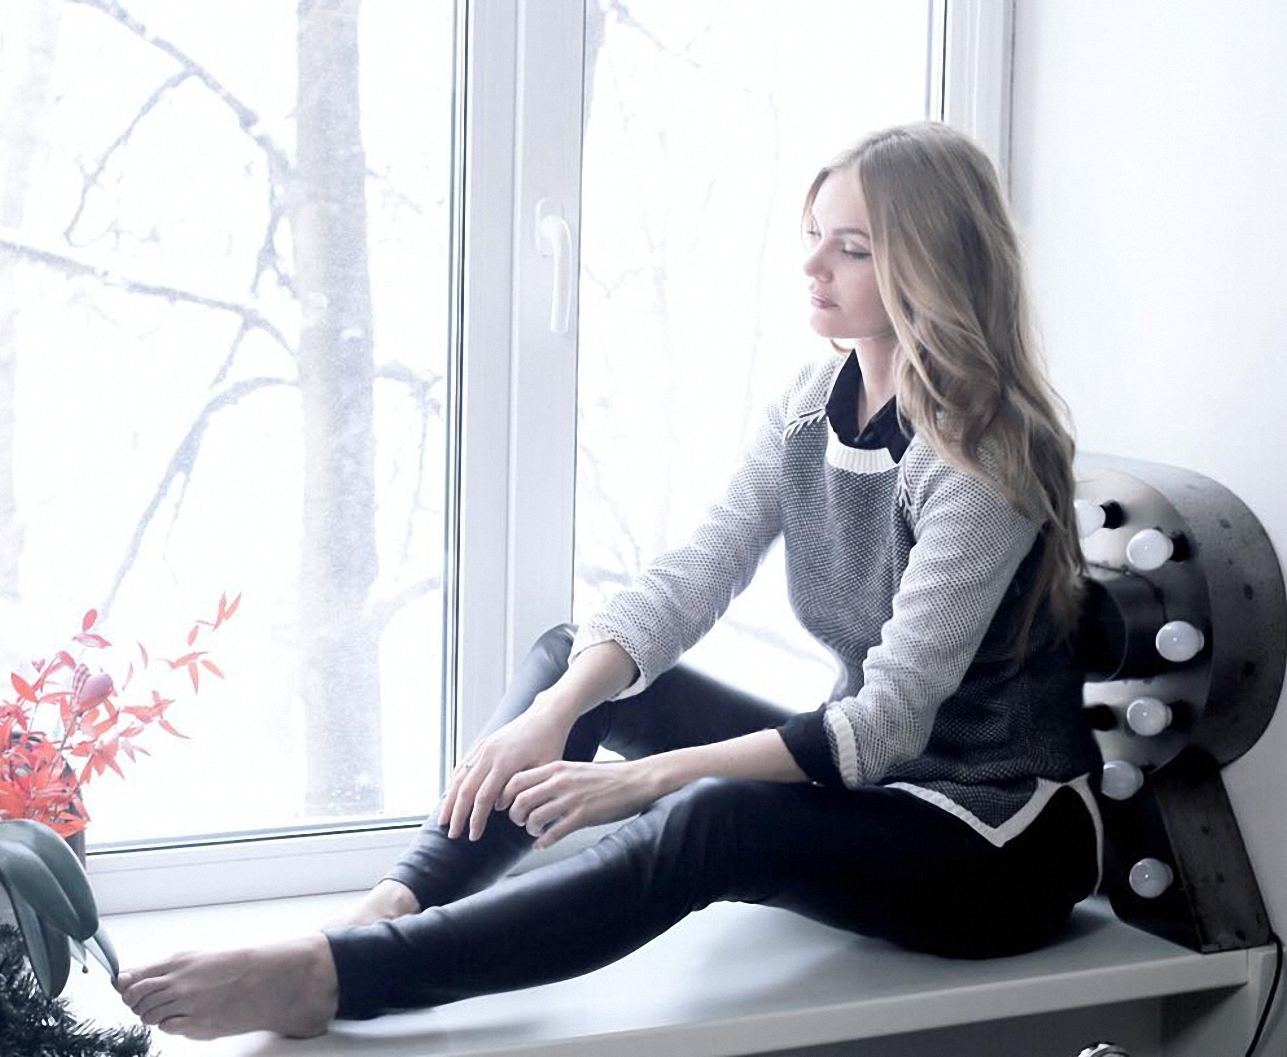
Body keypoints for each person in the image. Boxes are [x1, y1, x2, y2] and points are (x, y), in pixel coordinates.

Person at [114, 121, 1104, 1041]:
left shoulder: (983, 454)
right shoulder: (815, 404)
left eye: (850, 248)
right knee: (573, 659)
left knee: (712, 816)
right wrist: (556, 712)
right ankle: (387, 907)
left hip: (997, 841)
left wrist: (639, 779)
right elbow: (694, 576)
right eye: (814, 236)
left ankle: (338, 977)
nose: (811, 266)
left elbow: (880, 723)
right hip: (879, 789)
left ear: (934, 261)